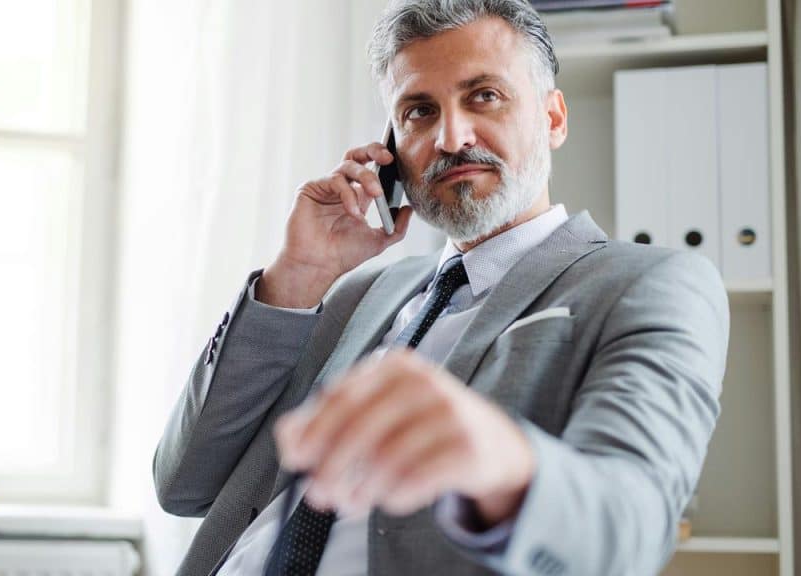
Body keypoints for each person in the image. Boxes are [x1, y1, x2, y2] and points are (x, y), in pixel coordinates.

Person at [153, 0, 729, 574]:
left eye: (484, 96)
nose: (451, 137)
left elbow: (634, 529)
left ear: (553, 120)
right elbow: (184, 486)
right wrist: (295, 278)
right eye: (419, 112)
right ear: (391, 153)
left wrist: (503, 462)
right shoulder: (357, 297)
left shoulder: (651, 285)